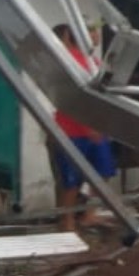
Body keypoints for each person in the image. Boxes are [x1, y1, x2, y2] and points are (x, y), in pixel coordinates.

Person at [50, 23, 118, 232]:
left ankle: (89, 214)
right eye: (90, 30)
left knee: (102, 174)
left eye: (95, 30)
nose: (95, 35)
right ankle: (67, 221)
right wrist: (87, 124)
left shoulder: (94, 61)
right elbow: (70, 98)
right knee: (70, 180)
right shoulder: (66, 60)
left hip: (97, 130)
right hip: (71, 130)